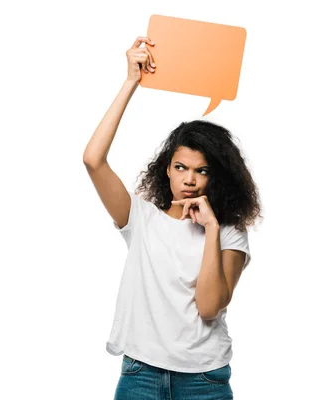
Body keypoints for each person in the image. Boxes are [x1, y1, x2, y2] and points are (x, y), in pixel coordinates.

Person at [83, 36, 262, 400]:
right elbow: (93, 160)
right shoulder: (141, 218)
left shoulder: (229, 232)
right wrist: (130, 82)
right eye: (180, 167)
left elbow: (210, 306)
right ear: (167, 170)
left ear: (217, 176)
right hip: (141, 375)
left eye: (202, 170)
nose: (190, 179)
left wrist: (211, 227)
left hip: (204, 380)